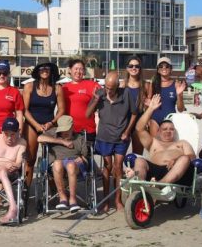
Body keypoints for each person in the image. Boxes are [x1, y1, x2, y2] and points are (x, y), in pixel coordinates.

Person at [126, 94, 197, 200]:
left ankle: (158, 185)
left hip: (176, 172)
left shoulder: (182, 143)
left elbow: (192, 157)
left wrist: (176, 159)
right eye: (165, 129)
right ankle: (139, 182)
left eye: (171, 129)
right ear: (158, 132)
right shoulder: (153, 142)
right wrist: (150, 109)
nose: (168, 131)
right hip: (155, 171)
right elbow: (139, 128)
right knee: (140, 160)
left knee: (185, 158)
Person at [86, 71, 135, 211]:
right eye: (106, 87)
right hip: (104, 137)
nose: (108, 91)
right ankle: (106, 201)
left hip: (121, 137)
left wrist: (127, 131)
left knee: (118, 167)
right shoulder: (99, 94)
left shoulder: (126, 93)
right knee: (107, 167)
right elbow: (87, 114)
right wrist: (95, 99)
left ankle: (117, 200)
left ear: (118, 85)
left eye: (111, 88)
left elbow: (134, 113)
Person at [37, 114, 90, 212]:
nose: (64, 132)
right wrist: (61, 142)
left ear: (72, 127)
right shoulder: (53, 133)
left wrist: (82, 158)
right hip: (57, 164)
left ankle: (73, 199)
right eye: (62, 129)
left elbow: (85, 156)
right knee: (57, 163)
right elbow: (39, 138)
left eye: (67, 129)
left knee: (70, 165)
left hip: (75, 164)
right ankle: (63, 198)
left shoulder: (79, 137)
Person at [22, 61, 64, 185]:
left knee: (52, 160)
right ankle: (26, 191)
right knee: (30, 160)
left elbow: (61, 110)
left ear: (51, 71)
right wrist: (36, 125)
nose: (44, 70)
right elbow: (24, 109)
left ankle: (53, 191)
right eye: (41, 68)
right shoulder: (29, 86)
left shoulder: (57, 88)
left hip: (49, 125)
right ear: (38, 71)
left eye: (47, 68)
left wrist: (52, 122)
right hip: (32, 124)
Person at [62, 58, 101, 143]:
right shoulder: (64, 88)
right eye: (76, 69)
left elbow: (104, 92)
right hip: (68, 130)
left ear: (84, 72)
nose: (78, 71)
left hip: (88, 130)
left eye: (81, 69)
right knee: (70, 155)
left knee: (87, 155)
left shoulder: (91, 85)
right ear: (70, 70)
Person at [145, 56, 185, 138]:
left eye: (167, 66)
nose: (164, 68)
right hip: (155, 120)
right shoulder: (153, 84)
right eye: (161, 66)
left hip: (170, 121)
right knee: (155, 147)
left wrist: (179, 94)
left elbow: (180, 109)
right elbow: (148, 103)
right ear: (158, 70)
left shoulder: (176, 85)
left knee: (168, 148)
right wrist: (147, 119)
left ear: (171, 69)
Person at [120, 55, 145, 154]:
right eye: (131, 66)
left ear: (140, 68)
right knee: (119, 157)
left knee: (137, 156)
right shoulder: (121, 85)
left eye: (136, 66)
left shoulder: (146, 85)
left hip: (139, 123)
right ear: (127, 68)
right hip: (123, 123)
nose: (134, 68)